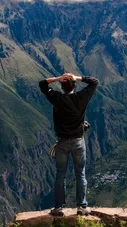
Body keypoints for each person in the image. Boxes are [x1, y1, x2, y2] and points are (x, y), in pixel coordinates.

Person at [39, 72, 99, 216]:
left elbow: (42, 84)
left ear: (62, 86)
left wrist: (58, 78)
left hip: (62, 143)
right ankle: (82, 207)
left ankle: (59, 207)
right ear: (74, 85)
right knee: (80, 174)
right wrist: (77, 77)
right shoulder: (81, 98)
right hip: (78, 141)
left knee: (61, 174)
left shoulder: (57, 98)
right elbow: (94, 82)